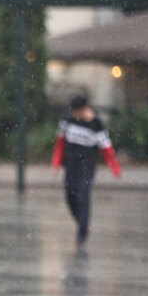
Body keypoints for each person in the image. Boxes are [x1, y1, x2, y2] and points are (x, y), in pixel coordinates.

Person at [51, 95, 122, 246]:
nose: (75, 115)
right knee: (70, 196)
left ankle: (82, 232)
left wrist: (115, 168)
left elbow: (107, 149)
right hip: (70, 166)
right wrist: (56, 163)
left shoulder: (96, 125)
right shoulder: (67, 121)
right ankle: (81, 222)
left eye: (77, 111)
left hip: (86, 168)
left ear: (84, 109)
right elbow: (60, 143)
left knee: (83, 197)